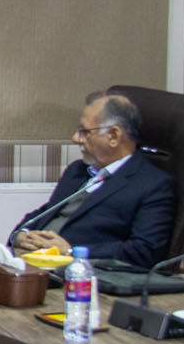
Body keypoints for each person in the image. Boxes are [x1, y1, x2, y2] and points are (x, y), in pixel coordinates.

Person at [10, 91, 175, 268]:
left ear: (113, 136)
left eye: (84, 132)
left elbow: (144, 251)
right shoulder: (77, 170)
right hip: (31, 263)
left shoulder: (154, 185)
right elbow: (47, 211)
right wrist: (20, 235)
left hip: (81, 274)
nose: (75, 138)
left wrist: (72, 251)